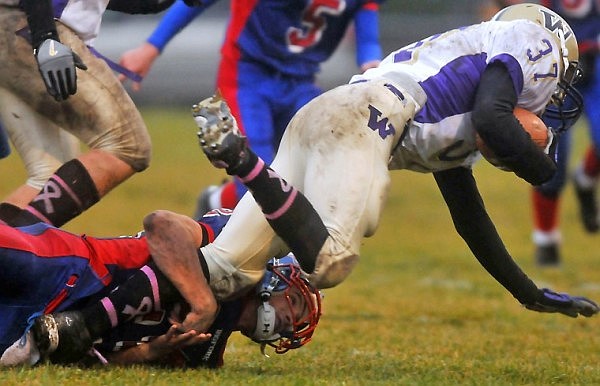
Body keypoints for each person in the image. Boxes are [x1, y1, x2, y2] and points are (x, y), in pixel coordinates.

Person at [184, 4, 599, 321]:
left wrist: (527, 292)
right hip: (370, 115)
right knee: (330, 259)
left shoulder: (456, 99)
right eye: (560, 81)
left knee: (224, 271)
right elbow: (495, 118)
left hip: (327, 113)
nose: (553, 96)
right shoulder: (530, 37)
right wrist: (541, 169)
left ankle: (126, 294)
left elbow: (469, 217)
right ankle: (242, 159)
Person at [117, 0, 385, 217]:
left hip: (301, 82)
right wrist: (152, 46)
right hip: (247, 77)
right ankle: (255, 264)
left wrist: (373, 70)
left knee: (315, 176)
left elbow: (367, 36)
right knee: (256, 178)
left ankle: (219, 202)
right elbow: (195, 1)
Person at [0, 208, 321, 367]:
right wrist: (201, 301)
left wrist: (154, 350)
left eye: (298, 320)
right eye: (294, 302)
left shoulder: (205, 355)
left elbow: (113, 363)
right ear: (277, 277)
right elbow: (162, 225)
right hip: (76, 269)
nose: (291, 320)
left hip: (47, 331)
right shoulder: (234, 251)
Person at [0, 0, 184, 227]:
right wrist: (45, 38)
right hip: (28, 24)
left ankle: (9, 251)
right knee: (128, 144)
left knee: (50, 177)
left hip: (13, 28)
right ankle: (16, 250)